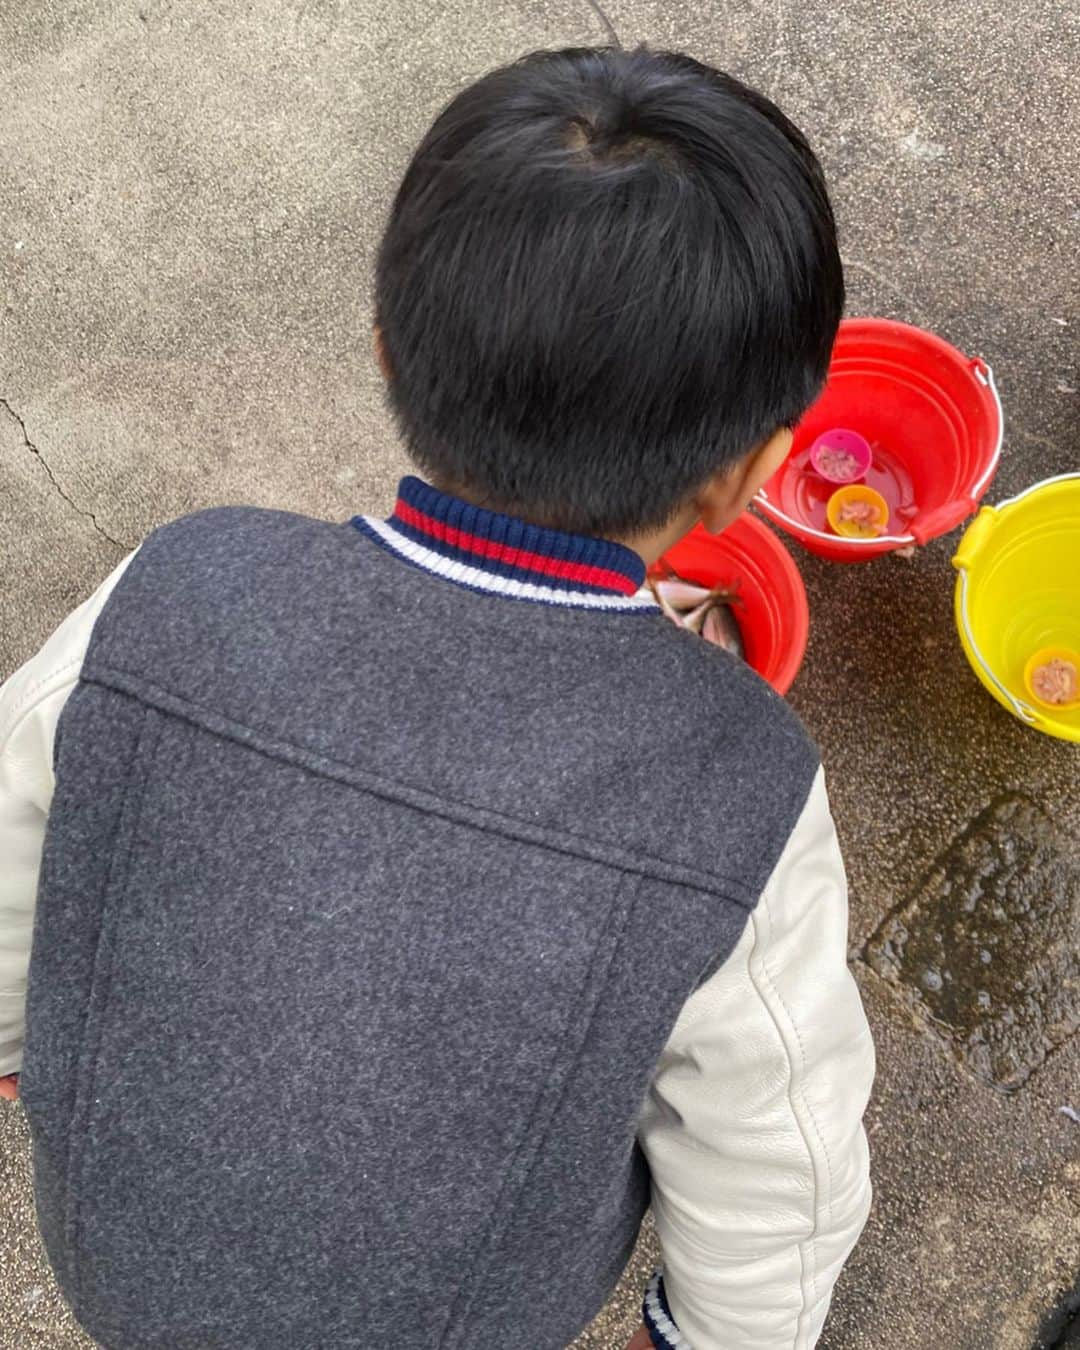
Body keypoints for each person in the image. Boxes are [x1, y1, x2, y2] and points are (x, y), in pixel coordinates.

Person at [0, 44, 874, 1350]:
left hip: (121, 1267)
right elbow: (780, 1171)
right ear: (753, 473)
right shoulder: (742, 791)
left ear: (386, 357)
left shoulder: (173, 589)